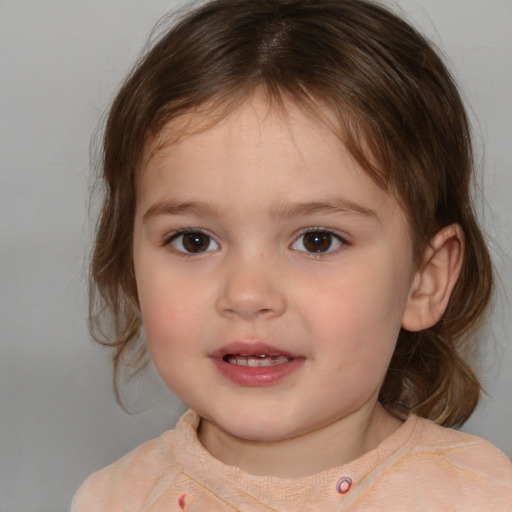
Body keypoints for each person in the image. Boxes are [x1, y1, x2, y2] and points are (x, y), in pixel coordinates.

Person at [71, 0, 512, 509]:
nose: (247, 294)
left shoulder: (485, 495)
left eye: (317, 240)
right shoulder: (110, 500)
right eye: (194, 240)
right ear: (130, 269)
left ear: (425, 279)